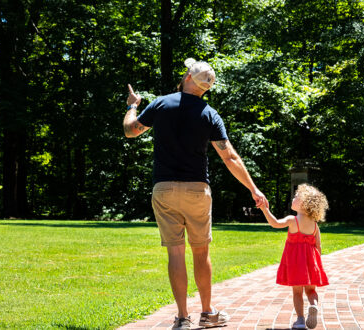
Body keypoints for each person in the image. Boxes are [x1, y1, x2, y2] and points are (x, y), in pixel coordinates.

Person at [122, 58, 268, 330]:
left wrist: (132, 106)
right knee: (201, 253)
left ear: (189, 76)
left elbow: (131, 131)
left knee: (175, 255)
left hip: (164, 189)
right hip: (197, 190)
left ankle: (181, 318)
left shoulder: (161, 104)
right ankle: (208, 314)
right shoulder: (209, 114)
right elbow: (230, 157)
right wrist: (253, 188)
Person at [259, 184, 329, 329]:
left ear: (304, 203)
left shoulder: (293, 220)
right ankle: (313, 305)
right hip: (311, 264)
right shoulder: (315, 226)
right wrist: (315, 265)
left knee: (297, 293)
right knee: (311, 291)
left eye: (296, 196)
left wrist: (265, 209)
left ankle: (300, 320)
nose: (293, 198)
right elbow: (318, 247)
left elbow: (275, 223)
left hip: (295, 264)